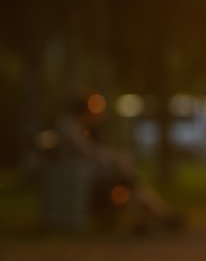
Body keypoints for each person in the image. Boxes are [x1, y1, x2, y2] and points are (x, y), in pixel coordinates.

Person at [53, 94, 182, 233]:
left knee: (129, 181)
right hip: (83, 178)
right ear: (83, 111)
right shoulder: (71, 129)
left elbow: (91, 152)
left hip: (85, 176)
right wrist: (115, 159)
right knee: (128, 180)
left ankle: (150, 216)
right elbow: (89, 153)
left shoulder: (74, 127)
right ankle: (156, 214)